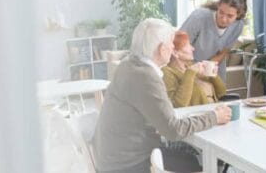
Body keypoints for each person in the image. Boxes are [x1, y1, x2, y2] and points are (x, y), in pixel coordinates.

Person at [92, 18, 232, 173]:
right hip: (128, 165)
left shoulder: (127, 65)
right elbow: (173, 130)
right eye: (171, 44)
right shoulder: (146, 76)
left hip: (110, 158)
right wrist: (214, 117)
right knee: (195, 164)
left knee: (187, 158)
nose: (173, 48)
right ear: (161, 49)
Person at [180, 0, 248, 82]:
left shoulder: (238, 25)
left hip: (213, 70)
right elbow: (179, 46)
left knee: (214, 95)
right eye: (221, 12)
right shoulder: (199, 17)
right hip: (188, 69)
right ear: (218, 6)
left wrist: (207, 68)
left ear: (238, 15)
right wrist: (195, 70)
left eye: (230, 16)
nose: (224, 19)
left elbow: (224, 51)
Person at [163, 31, 228, 108]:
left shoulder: (191, 65)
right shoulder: (167, 72)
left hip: (215, 110)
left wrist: (213, 75)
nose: (193, 48)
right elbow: (178, 105)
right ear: (175, 52)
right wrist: (190, 73)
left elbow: (222, 94)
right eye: (188, 45)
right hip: (199, 116)